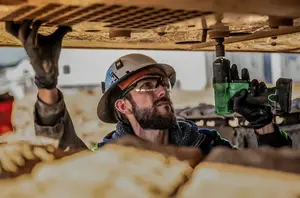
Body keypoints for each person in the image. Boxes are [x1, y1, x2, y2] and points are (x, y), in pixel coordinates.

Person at [5, 21, 292, 155]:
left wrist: (264, 126)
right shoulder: (109, 155)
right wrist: (47, 85)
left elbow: (270, 179)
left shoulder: (205, 142)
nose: (161, 90)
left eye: (162, 83)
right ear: (122, 105)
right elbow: (60, 146)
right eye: (147, 85)